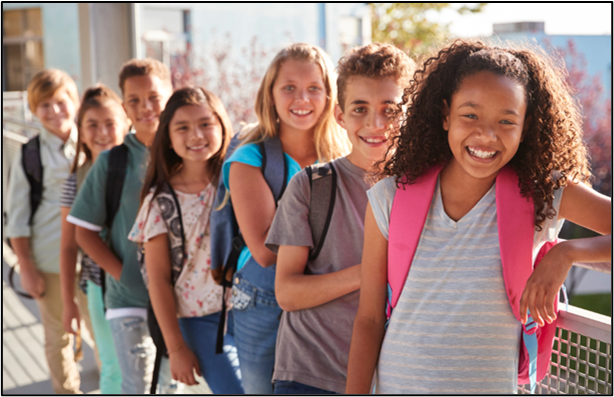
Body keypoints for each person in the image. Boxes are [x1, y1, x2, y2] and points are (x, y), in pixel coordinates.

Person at [346, 39, 611, 394]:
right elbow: (369, 319)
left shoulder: (544, 193)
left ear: (526, 126)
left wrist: (567, 253)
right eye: (470, 115)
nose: (486, 135)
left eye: (506, 120)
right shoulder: (390, 196)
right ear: (445, 114)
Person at [265, 43, 415, 394]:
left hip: (393, 377)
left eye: (389, 110)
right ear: (340, 115)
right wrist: (369, 274)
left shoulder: (424, 191)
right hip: (308, 375)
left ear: (409, 113)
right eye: (360, 109)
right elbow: (286, 292)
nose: (374, 124)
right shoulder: (311, 186)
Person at [223, 43, 351, 393]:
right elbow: (265, 250)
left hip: (329, 294)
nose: (302, 98)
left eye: (314, 88)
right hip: (264, 299)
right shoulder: (250, 158)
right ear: (271, 94)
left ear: (329, 96)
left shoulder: (345, 157)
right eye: (289, 88)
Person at [67, 59, 179, 394]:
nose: (145, 107)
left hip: (180, 296)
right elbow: (82, 232)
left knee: (171, 385)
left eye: (154, 97)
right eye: (133, 100)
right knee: (136, 385)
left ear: (170, 94)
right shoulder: (112, 160)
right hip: (129, 296)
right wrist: (123, 273)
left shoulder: (187, 149)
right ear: (124, 105)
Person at [128, 87, 244, 393]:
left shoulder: (240, 179)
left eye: (206, 124)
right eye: (183, 127)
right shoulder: (160, 201)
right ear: (167, 136)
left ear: (222, 126)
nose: (196, 135)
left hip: (252, 311)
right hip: (199, 320)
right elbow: (159, 280)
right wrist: (176, 348)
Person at [6, 69, 89, 394]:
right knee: (58, 335)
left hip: (93, 258)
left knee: (99, 328)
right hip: (49, 259)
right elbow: (17, 217)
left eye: (61, 102)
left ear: (75, 101)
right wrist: (25, 266)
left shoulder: (94, 139)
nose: (54, 111)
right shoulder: (30, 155)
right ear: (33, 110)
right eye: (45, 105)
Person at [60, 84, 129, 394]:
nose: (102, 132)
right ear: (81, 132)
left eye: (110, 123)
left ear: (126, 123)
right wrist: (67, 303)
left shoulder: (146, 166)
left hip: (149, 281)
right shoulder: (76, 179)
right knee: (113, 367)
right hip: (99, 286)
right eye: (92, 125)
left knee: (158, 361)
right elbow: (68, 246)